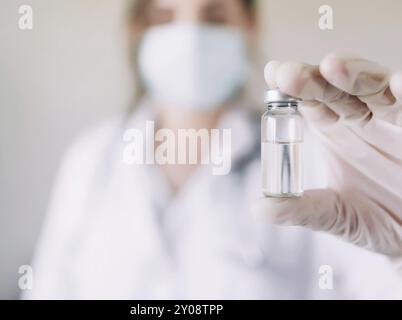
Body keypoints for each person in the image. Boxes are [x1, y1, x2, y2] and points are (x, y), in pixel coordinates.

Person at [25, 0, 402, 299]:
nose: (189, 37)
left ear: (250, 27)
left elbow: (374, 288)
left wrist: (398, 255)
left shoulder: (312, 154)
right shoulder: (90, 159)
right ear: (138, 30)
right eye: (165, 15)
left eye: (215, 15)